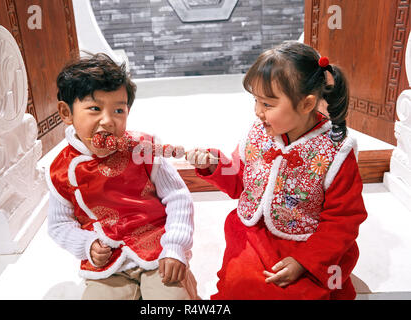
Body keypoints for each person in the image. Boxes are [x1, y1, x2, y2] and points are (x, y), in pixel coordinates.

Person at [186, 41, 367, 300]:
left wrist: (304, 261)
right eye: (256, 101)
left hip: (310, 242)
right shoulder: (259, 134)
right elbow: (241, 183)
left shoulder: (335, 152)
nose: (258, 112)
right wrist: (214, 166)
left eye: (268, 104)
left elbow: (344, 219)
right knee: (239, 286)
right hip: (255, 235)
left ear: (306, 104)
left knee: (296, 294)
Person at [46, 53, 197, 300]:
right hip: (108, 264)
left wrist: (175, 247)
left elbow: (178, 197)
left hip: (158, 250)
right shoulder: (61, 170)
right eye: (94, 109)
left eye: (118, 110)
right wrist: (87, 245)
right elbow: (59, 225)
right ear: (66, 112)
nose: (108, 121)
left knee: (172, 299)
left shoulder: (143, 148)